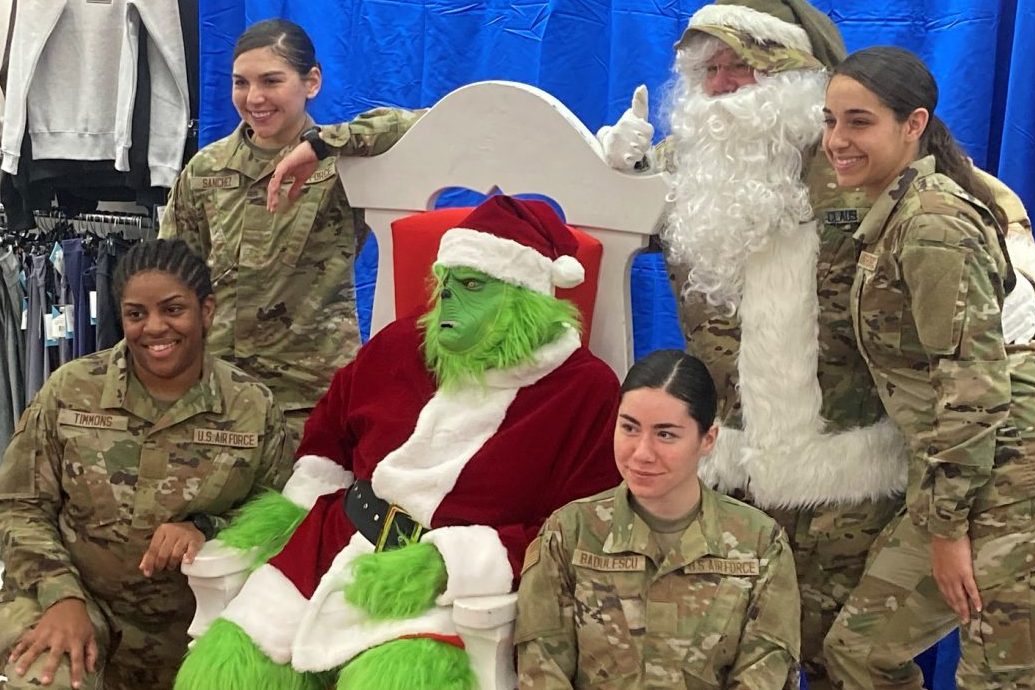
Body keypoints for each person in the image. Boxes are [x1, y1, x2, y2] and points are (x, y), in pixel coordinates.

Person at [594, 1, 1035, 685]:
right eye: (713, 68)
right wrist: (607, 169)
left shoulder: (862, 158)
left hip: (854, 470)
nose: (726, 84)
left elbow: (987, 219)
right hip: (743, 470)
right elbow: (506, 152)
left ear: (798, 74)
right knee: (781, 645)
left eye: (747, 66)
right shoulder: (686, 168)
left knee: (853, 654)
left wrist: (1024, 288)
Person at [174, 195, 623, 690]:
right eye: (445, 284)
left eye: (473, 286)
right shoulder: (399, 345)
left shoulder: (585, 392)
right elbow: (329, 436)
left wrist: (452, 564)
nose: (448, 301)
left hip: (447, 593)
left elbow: (579, 532)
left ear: (527, 296)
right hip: (330, 544)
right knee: (222, 673)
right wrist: (298, 509)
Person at [818, 46, 1035, 689]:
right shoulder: (894, 212)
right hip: (959, 479)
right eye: (830, 119)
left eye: (858, 121)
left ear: (914, 124)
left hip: (1031, 478)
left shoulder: (931, 224)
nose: (836, 139)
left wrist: (947, 532)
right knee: (858, 654)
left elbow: (972, 387)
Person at [0, 239, 295, 690]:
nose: (154, 328)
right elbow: (19, 505)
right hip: (76, 597)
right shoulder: (71, 390)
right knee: (43, 678)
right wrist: (62, 596)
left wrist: (206, 527)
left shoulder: (252, 407)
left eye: (173, 310)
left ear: (207, 310)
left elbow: (282, 521)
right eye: (136, 314)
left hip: (201, 618)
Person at [159, 19, 423, 442]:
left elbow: (423, 125)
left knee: (297, 509)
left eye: (271, 81)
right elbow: (172, 280)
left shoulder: (341, 163)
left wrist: (323, 144)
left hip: (310, 399)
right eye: (240, 82)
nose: (254, 97)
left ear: (312, 81)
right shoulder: (206, 170)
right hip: (217, 396)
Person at [516, 349, 802, 689]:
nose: (642, 453)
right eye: (629, 428)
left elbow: (764, 673)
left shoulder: (760, 544)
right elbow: (543, 671)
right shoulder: (570, 533)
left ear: (707, 440)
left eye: (665, 434)